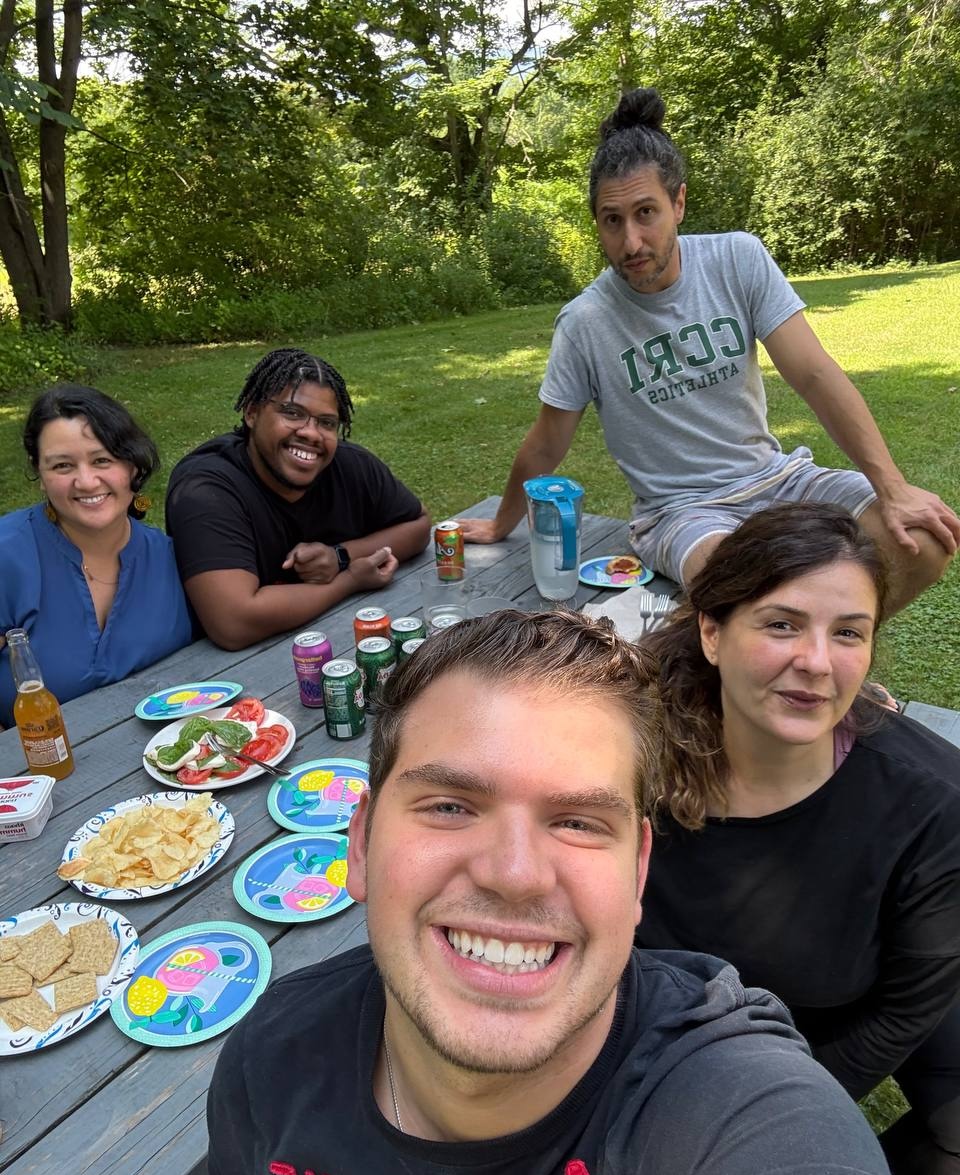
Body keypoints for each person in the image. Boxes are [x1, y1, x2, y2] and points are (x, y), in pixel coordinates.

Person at [207, 608, 910, 1175]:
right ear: (360, 845)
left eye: (578, 822)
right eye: (450, 806)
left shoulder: (730, 1104)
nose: (514, 874)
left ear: (637, 871)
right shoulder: (270, 1062)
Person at [459, 88, 959, 615]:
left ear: (678, 203)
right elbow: (545, 445)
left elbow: (813, 374)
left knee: (924, 542)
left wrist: (894, 487)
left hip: (779, 479)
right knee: (753, 591)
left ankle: (833, 666)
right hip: (681, 513)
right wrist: (501, 523)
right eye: (612, 220)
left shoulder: (737, 260)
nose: (631, 242)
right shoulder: (585, 322)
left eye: (645, 212)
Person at [635, 502, 960, 1175]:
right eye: (782, 624)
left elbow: (906, 1009)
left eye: (848, 632)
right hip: (681, 1008)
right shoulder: (628, 752)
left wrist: (780, 1123)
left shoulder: (931, 808)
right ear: (712, 633)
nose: (817, 661)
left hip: (858, 993)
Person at [165, 348, 431, 649]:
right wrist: (349, 580)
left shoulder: (351, 465)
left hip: (343, 643)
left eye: (327, 423)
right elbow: (234, 622)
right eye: (292, 413)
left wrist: (339, 556)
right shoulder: (205, 488)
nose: (311, 434)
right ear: (252, 413)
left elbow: (419, 525)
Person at [0, 384, 193, 727]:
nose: (86, 482)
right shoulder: (8, 557)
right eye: (62, 466)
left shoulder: (168, 557)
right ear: (40, 475)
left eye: (102, 460)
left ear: (132, 465)